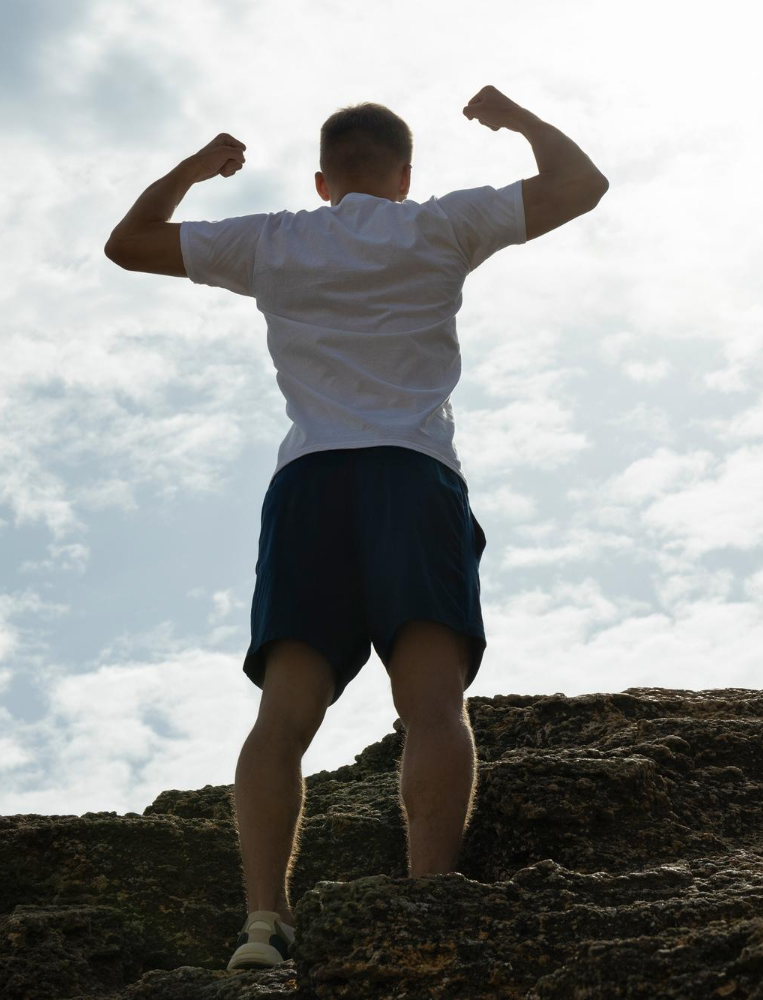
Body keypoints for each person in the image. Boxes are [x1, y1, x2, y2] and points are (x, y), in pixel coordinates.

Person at [104, 85, 608, 971]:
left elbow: (128, 244)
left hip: (311, 485)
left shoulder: (273, 238)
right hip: (411, 479)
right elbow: (581, 183)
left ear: (323, 179)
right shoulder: (438, 226)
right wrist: (515, 119)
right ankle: (426, 904)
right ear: (404, 177)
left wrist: (197, 166)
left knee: (283, 713)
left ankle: (264, 923)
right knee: (431, 705)